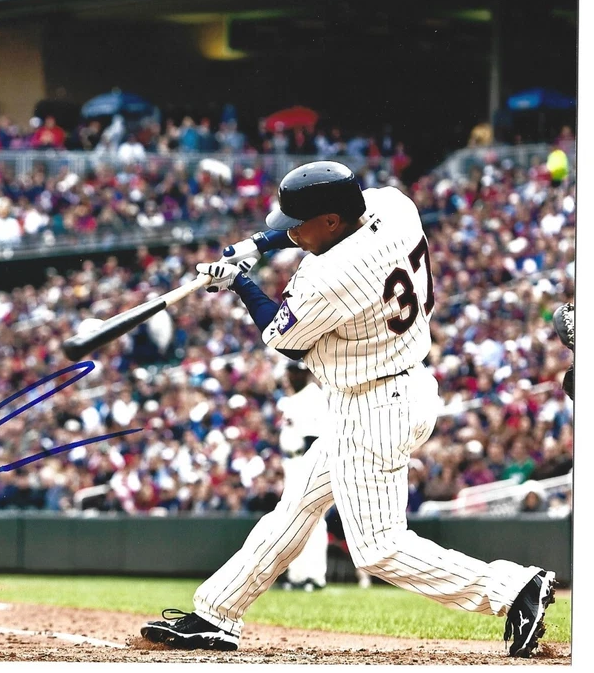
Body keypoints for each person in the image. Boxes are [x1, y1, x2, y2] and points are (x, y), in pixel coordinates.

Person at [140, 161, 556, 658]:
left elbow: (284, 339)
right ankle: (216, 614)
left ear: (332, 221)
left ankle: (512, 590)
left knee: (378, 547)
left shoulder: (331, 276)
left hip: (375, 406)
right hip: (396, 384)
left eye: (299, 223)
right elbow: (314, 230)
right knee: (295, 509)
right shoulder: (391, 204)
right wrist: (259, 244)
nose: (291, 231)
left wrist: (239, 284)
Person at [275, 362, 329, 592]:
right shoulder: (293, 399)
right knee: (292, 519)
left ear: (306, 373)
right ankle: (297, 576)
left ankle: (315, 577)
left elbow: (312, 439)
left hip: (305, 461)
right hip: (292, 462)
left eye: (296, 371)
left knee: (313, 520)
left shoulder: (312, 397)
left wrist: (307, 472)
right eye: (290, 371)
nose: (291, 375)